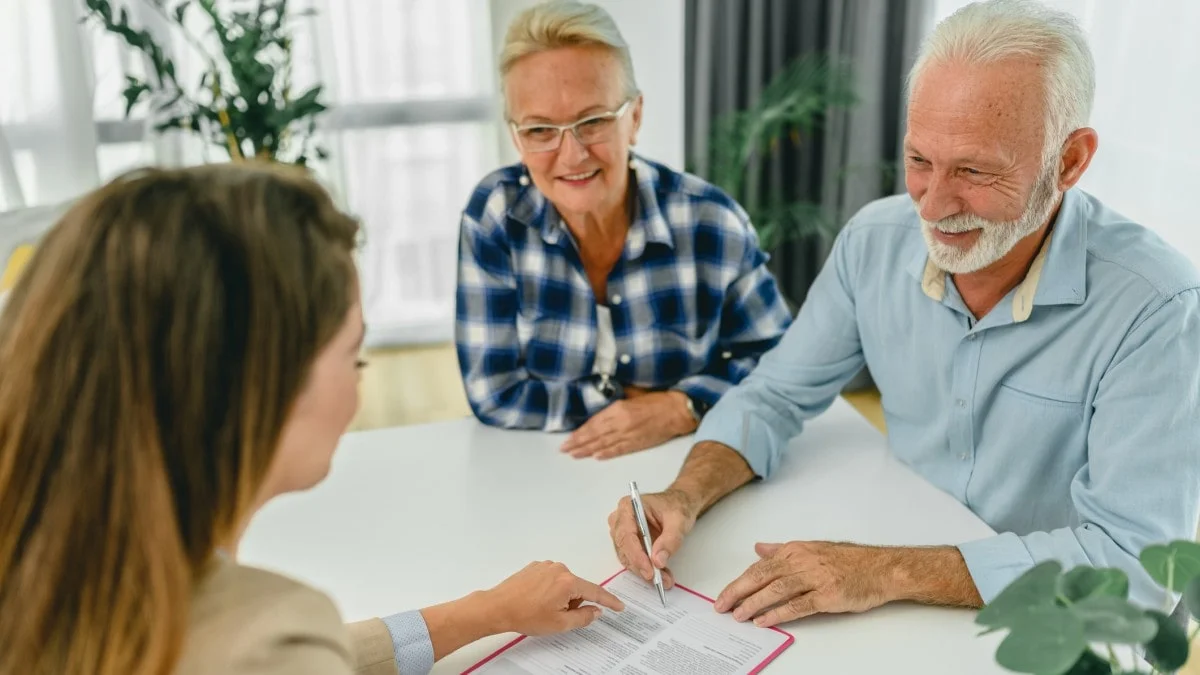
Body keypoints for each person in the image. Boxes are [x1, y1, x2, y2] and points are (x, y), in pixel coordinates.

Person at [607, 0, 1200, 626]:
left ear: (1070, 161)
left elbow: (1138, 568)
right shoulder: (873, 241)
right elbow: (775, 395)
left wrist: (887, 571)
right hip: (914, 584)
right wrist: (685, 494)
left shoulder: (1159, 311)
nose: (933, 205)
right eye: (919, 160)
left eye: (974, 170)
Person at [0, 163, 625, 675]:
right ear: (260, 385)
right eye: (354, 354)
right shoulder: (271, 636)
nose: (359, 384)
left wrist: (484, 612)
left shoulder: (62, 573)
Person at [454, 0, 793, 459]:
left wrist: (683, 406)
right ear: (516, 137)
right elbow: (493, 392)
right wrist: (621, 404)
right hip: (545, 464)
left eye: (593, 121)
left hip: (687, 457)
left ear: (634, 117)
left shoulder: (712, 221)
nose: (572, 155)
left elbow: (781, 360)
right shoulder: (495, 216)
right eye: (540, 130)